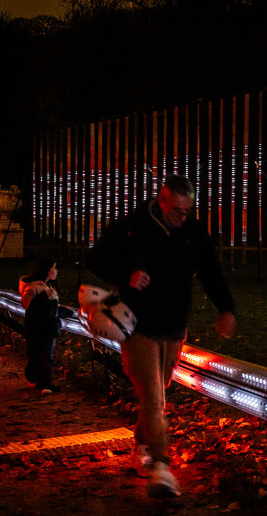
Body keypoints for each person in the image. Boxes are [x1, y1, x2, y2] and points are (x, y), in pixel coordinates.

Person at [86, 174, 236, 499]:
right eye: (177, 212)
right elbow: (96, 259)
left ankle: (141, 446)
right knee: (154, 399)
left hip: (173, 326)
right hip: (138, 325)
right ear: (162, 200)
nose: (183, 218)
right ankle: (161, 468)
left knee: (161, 389)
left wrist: (225, 308)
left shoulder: (192, 232)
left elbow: (210, 270)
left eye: (188, 212)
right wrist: (127, 275)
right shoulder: (130, 227)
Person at [19, 258, 63, 395]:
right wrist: (45, 297)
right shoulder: (35, 288)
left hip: (45, 326)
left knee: (41, 353)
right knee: (43, 354)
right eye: (54, 268)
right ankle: (44, 383)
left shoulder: (48, 288)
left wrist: (66, 312)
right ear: (47, 270)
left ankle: (38, 379)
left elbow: (53, 308)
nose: (56, 271)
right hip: (41, 326)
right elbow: (30, 306)